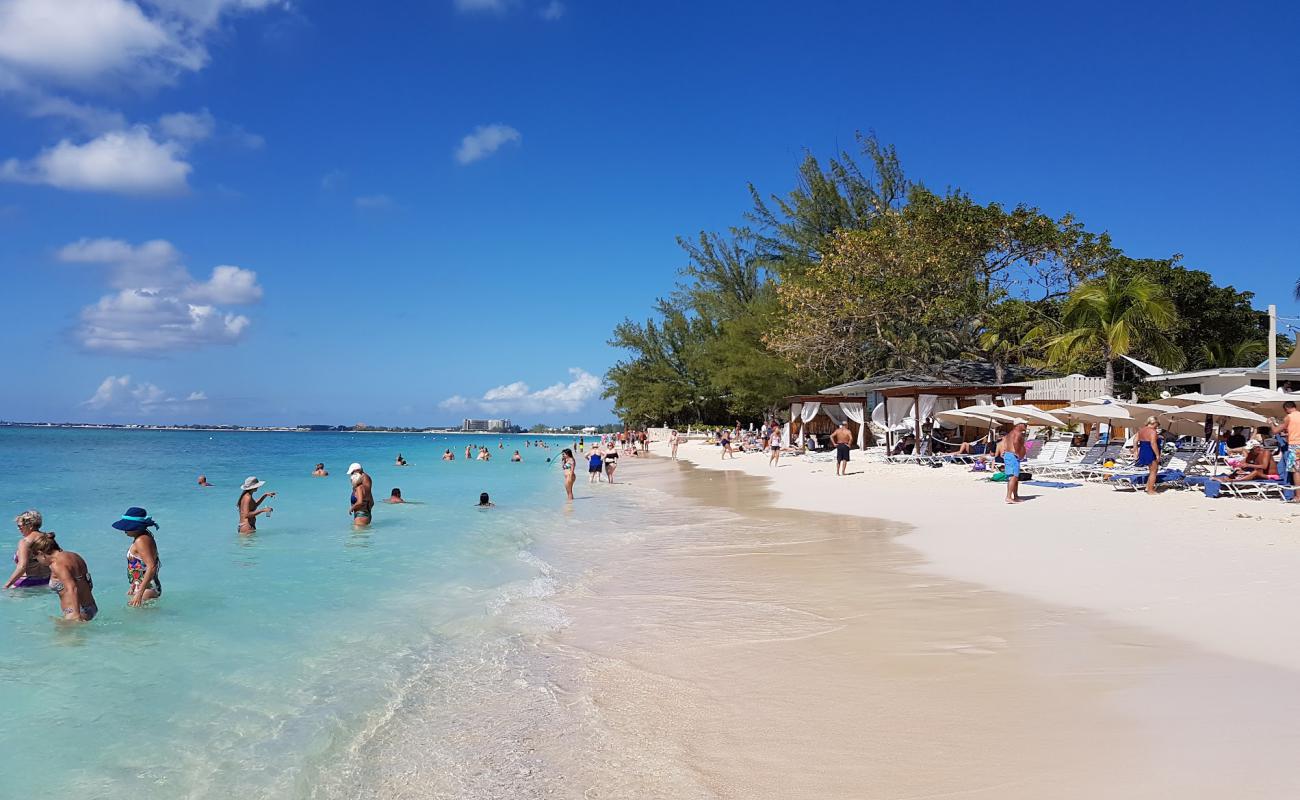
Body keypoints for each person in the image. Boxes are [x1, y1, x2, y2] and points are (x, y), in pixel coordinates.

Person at [30, 534, 97, 622]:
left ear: (41, 554)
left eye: (36, 558)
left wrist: (75, 616)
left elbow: (71, 588)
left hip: (75, 612)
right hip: (90, 607)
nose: (38, 562)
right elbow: (88, 583)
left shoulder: (57, 564)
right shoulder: (75, 556)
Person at [113, 507, 161, 607]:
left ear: (137, 527)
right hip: (144, 588)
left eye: (128, 527)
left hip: (147, 590)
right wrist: (133, 585)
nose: (124, 530)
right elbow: (139, 565)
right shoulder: (143, 537)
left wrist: (139, 593)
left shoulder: (141, 541)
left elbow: (152, 566)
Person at [5, 509, 52, 588]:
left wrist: (6, 585)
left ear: (29, 526)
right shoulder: (48, 538)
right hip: (47, 582)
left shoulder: (25, 542)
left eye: (20, 526)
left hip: (27, 584)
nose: (18, 529)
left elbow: (22, 567)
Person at [1273, 401, 1300, 498]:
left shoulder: (1289, 417)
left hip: (1295, 445)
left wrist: (1271, 423)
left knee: (1296, 471)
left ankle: (1298, 496)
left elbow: (1275, 431)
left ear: (1286, 409)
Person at [1132, 416, 1161, 495]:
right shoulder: (1152, 431)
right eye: (1157, 424)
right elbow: (1153, 443)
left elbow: (1135, 440)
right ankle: (1150, 491)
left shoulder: (1141, 430)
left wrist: (1136, 451)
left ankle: (1148, 487)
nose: (1157, 426)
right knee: (1154, 471)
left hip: (1143, 451)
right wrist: (1157, 455)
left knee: (1151, 470)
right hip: (1150, 452)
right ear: (1153, 423)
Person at [1003, 421, 1028, 504]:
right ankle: (1008, 497)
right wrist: (1017, 453)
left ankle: (1016, 496)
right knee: (1013, 477)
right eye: (1024, 424)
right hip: (1013, 456)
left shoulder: (1010, 433)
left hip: (1009, 455)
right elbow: (1016, 442)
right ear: (1019, 425)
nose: (1026, 425)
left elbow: (1006, 443)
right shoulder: (1017, 433)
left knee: (1015, 477)